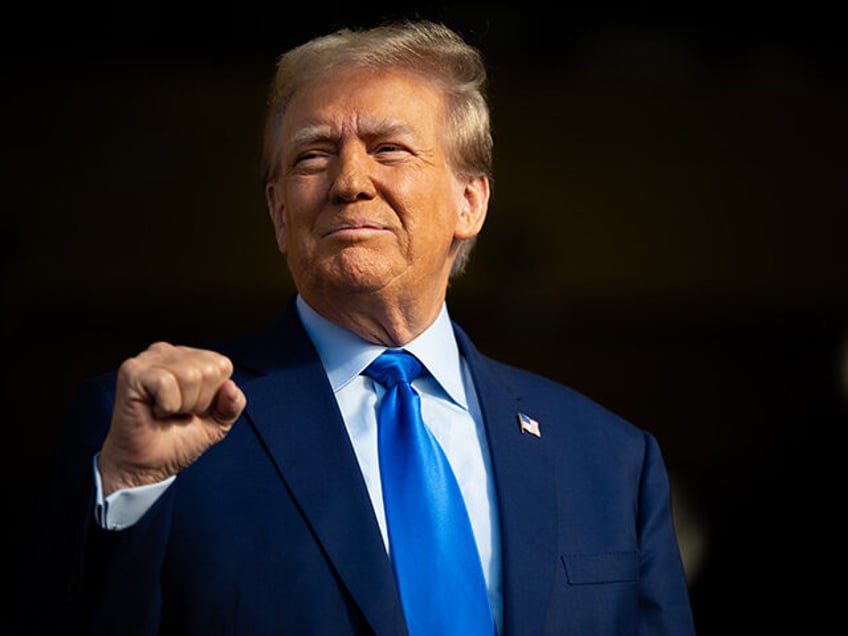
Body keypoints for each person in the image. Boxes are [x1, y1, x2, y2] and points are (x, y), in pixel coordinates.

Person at [19, 19, 696, 635]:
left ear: (470, 200)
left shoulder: (610, 461)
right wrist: (130, 492)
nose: (349, 182)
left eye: (390, 149)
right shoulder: (147, 432)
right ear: (281, 214)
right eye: (313, 156)